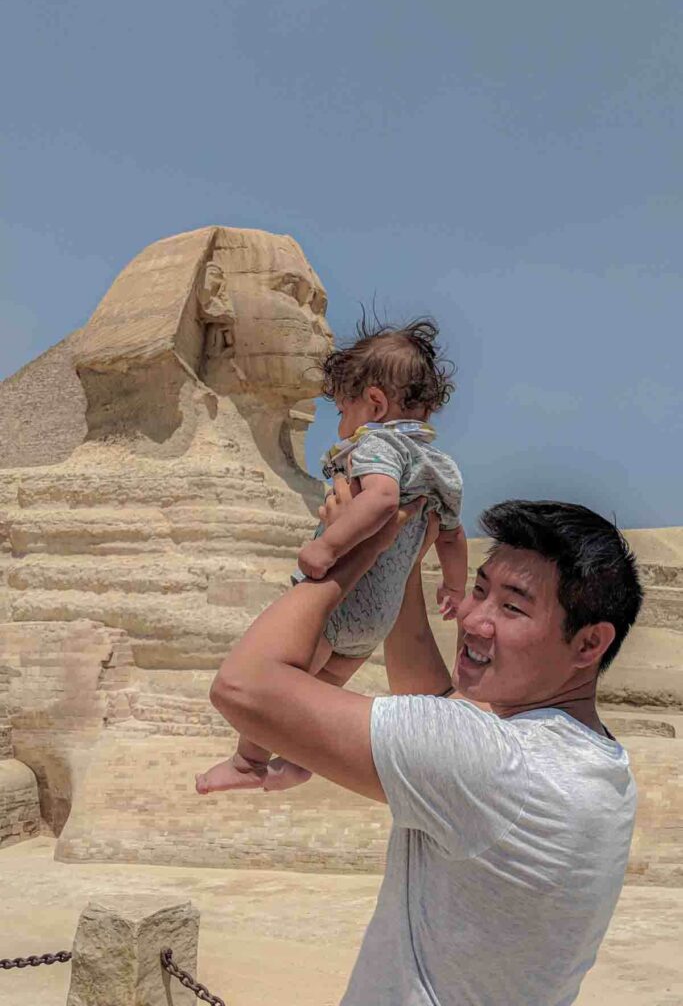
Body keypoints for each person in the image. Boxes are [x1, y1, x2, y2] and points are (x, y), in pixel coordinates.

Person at [206, 481, 643, 1006]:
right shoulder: (597, 765)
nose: (473, 619)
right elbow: (434, 703)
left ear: (589, 643)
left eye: (512, 608)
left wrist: (350, 551)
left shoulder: (499, 767)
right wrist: (400, 559)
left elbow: (244, 685)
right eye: (479, 589)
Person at [196, 317, 467, 793]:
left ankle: (247, 761)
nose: (340, 426)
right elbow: (450, 535)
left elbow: (382, 500)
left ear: (375, 404)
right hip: (380, 617)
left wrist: (328, 546)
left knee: (280, 686)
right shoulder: (440, 467)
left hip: (341, 602)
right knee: (317, 693)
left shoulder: (377, 444)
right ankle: (299, 758)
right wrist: (454, 585)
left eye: (342, 411)